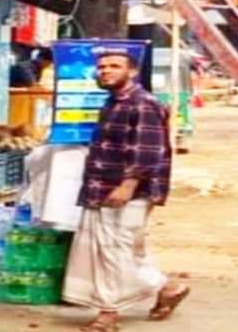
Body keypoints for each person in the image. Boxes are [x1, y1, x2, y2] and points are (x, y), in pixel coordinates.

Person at [61, 50, 190, 331]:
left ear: (132, 71)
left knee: (113, 252)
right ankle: (167, 287)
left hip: (125, 192)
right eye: (102, 67)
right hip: (101, 187)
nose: (106, 71)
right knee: (122, 251)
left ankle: (108, 314)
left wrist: (128, 185)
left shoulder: (142, 104)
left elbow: (148, 151)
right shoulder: (113, 103)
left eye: (114, 66)